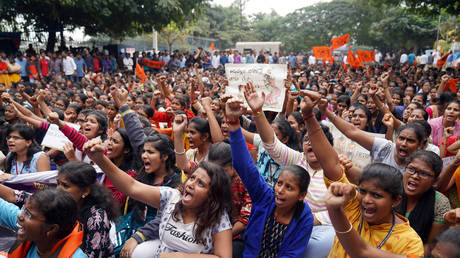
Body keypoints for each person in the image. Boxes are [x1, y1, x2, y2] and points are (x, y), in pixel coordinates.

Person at [299, 90, 423, 257]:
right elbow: (331, 163)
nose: (366, 200)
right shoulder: (354, 205)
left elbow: (360, 252)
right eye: (362, 191)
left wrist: (334, 209)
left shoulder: (410, 243)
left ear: (396, 200)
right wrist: (308, 116)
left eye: (377, 195)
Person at [83, 138, 233, 257]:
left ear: (212, 194)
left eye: (201, 184)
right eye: (192, 178)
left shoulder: (219, 218)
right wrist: (100, 159)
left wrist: (181, 257)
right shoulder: (172, 197)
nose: (191, 184)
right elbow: (131, 187)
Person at [225, 93, 314, 257]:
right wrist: (233, 123)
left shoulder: (304, 217)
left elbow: (292, 254)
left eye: (289, 187)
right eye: (279, 183)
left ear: (301, 195)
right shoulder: (265, 197)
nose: (280, 190)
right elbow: (244, 166)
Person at [0, 161, 119, 257]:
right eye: (58, 183)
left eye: (65, 186)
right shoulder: (49, 205)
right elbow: (13, 196)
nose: (20, 217)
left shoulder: (96, 218)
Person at [0, 189, 87, 257]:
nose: (20, 216)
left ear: (51, 229)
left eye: (28, 214)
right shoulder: (31, 229)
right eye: (24, 210)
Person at [395, 150, 451, 254]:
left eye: (424, 173)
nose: (415, 176)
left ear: (434, 181)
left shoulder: (440, 203)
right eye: (411, 169)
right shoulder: (392, 191)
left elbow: (430, 245)